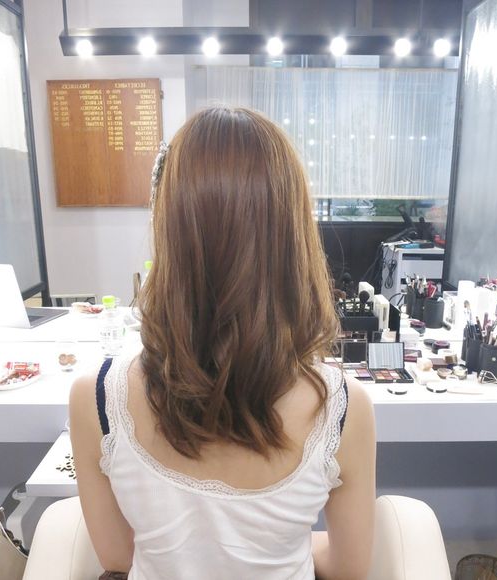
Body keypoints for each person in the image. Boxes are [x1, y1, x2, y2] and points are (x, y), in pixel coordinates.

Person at [70, 106, 376, 580]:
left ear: (168, 231)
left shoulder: (96, 397)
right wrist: (286, 544)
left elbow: (117, 557)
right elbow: (349, 567)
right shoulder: (342, 407)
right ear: (293, 238)